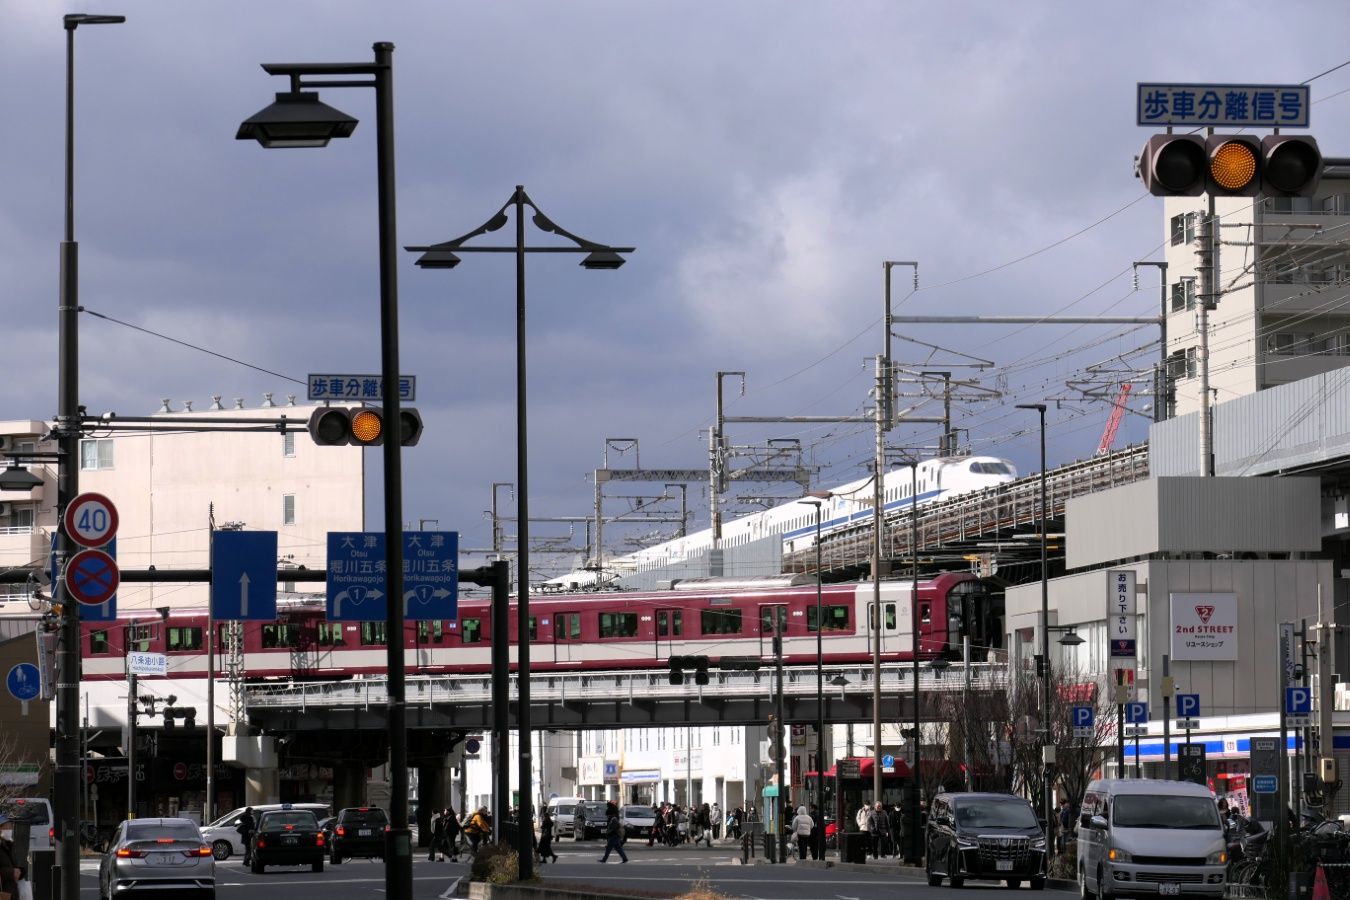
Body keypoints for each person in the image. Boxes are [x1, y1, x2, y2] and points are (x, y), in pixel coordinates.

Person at [0, 814, 24, 900]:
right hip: (3, 893)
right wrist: (11, 872)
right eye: (8, 827)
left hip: (11, 893)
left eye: (11, 827)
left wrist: (20, 871)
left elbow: (13, 865)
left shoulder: (8, 845)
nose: (10, 830)